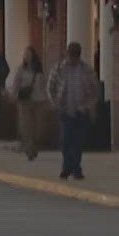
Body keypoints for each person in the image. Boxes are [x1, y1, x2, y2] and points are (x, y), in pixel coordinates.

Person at [47, 41, 101, 181]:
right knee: (66, 140)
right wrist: (55, 103)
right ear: (67, 54)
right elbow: (51, 86)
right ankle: (67, 167)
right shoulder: (59, 68)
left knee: (77, 141)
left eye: (76, 56)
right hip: (64, 109)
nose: (73, 59)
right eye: (71, 55)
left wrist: (90, 105)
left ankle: (76, 168)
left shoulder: (86, 70)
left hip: (81, 110)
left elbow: (95, 88)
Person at [9, 47, 48, 161]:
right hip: (25, 100)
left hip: (39, 99)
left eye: (29, 54)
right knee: (27, 125)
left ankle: (34, 146)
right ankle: (29, 149)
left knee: (38, 126)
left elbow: (45, 84)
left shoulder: (39, 69)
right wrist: (13, 94)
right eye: (25, 54)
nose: (27, 56)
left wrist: (48, 97)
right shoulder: (21, 69)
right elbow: (16, 83)